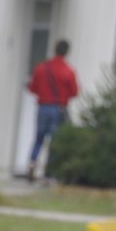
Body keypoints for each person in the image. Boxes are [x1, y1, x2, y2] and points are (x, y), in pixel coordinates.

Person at [26, 39, 79, 180]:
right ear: (67, 52)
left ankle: (32, 164)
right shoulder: (68, 71)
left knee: (38, 139)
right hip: (58, 109)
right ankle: (48, 173)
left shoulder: (41, 68)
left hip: (42, 107)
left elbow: (32, 88)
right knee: (55, 142)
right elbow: (74, 92)